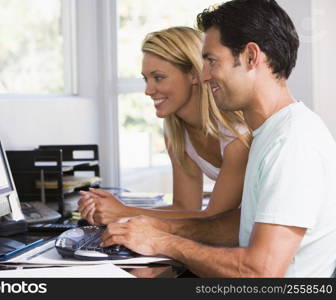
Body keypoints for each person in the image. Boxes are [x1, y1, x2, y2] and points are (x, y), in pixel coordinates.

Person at [100, 0, 336, 277]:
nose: (203, 75)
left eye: (211, 61)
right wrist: (156, 228)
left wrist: (162, 241)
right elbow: (238, 225)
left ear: (250, 56)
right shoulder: (269, 133)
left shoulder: (291, 142)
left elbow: (260, 272)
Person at [78, 26, 250, 225]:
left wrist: (124, 212)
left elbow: (214, 217)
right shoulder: (177, 133)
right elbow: (185, 208)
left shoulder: (235, 133)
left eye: (158, 78)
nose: (148, 90)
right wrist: (113, 211)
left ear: (195, 74)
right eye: (146, 79)